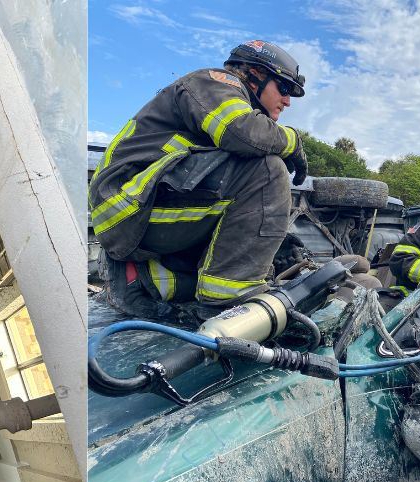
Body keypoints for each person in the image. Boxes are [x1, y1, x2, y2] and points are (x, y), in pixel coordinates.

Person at [91, 40, 310, 319]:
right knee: (268, 169)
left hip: (136, 212)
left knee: (255, 180)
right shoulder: (215, 82)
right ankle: (226, 302)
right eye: (284, 88)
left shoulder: (220, 100)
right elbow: (241, 131)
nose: (288, 101)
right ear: (255, 75)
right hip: (129, 210)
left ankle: (150, 279)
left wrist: (265, 240)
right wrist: (293, 140)